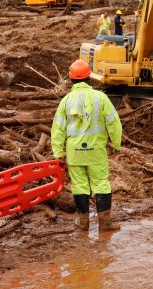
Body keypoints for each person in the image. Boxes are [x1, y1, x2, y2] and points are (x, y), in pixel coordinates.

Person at [51, 60, 122, 232]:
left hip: (75, 153)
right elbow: (114, 123)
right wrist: (116, 143)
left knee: (79, 185)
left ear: (71, 79)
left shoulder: (66, 101)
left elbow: (58, 129)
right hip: (96, 152)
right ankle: (105, 224)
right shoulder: (101, 98)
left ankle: (83, 223)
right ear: (89, 77)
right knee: (101, 184)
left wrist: (58, 153)